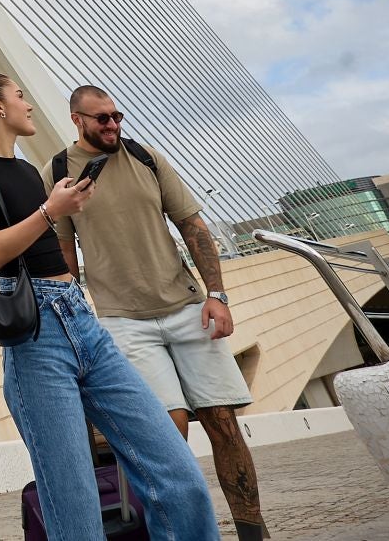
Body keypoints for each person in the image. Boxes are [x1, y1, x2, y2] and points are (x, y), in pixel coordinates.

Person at [0, 71, 218, 541]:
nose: (29, 104)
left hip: (81, 319)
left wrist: (65, 206)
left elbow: (45, 239)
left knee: (177, 472)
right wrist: (52, 210)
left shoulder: (28, 170)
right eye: (19, 95)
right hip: (37, 337)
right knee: (74, 505)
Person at [43, 84, 267, 541]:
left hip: (187, 309)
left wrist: (217, 295)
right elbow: (64, 249)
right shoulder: (58, 171)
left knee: (224, 424)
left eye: (117, 116)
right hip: (122, 321)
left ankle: (253, 533)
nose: (113, 124)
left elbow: (192, 225)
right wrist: (71, 318)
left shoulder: (146, 158)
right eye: (102, 118)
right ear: (77, 120)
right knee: (167, 435)